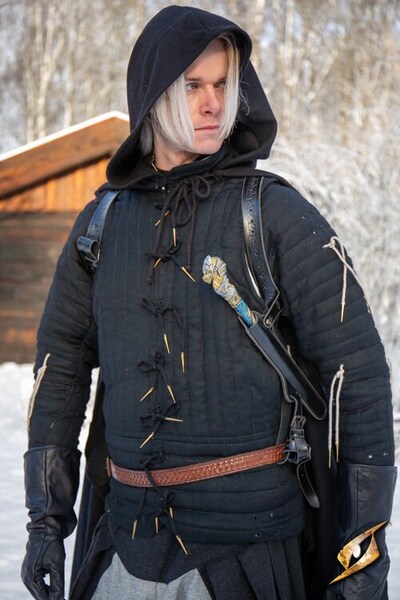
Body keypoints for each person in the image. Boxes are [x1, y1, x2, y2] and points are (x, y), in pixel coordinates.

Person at [21, 5, 396, 600]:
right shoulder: (101, 225)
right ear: (152, 96)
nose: (213, 103)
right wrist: (45, 523)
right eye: (192, 86)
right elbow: (60, 370)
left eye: (223, 84)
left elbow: (358, 376)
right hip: (122, 552)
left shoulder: (274, 215)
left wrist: (364, 550)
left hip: (248, 559)